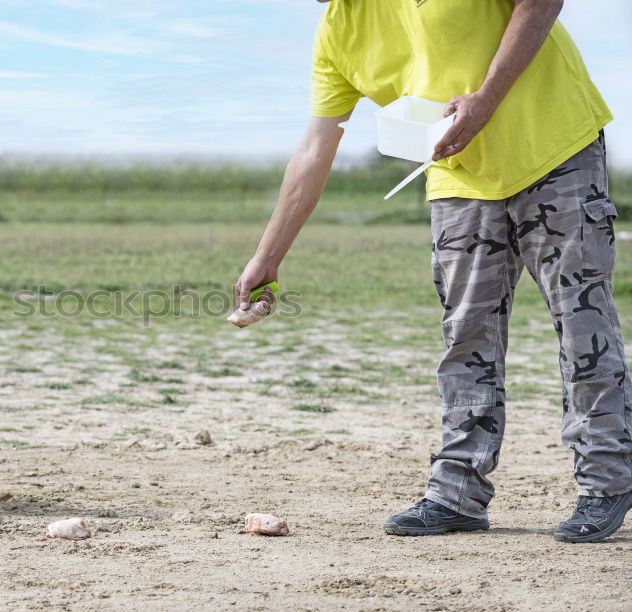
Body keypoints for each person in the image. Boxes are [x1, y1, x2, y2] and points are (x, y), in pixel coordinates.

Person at [235, 0, 631, 543]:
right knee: (465, 337)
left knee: (581, 324)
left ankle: (606, 483)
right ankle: (457, 494)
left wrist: (486, 100)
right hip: (457, 175)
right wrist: (268, 254)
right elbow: (315, 145)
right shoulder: (336, 31)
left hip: (554, 151)